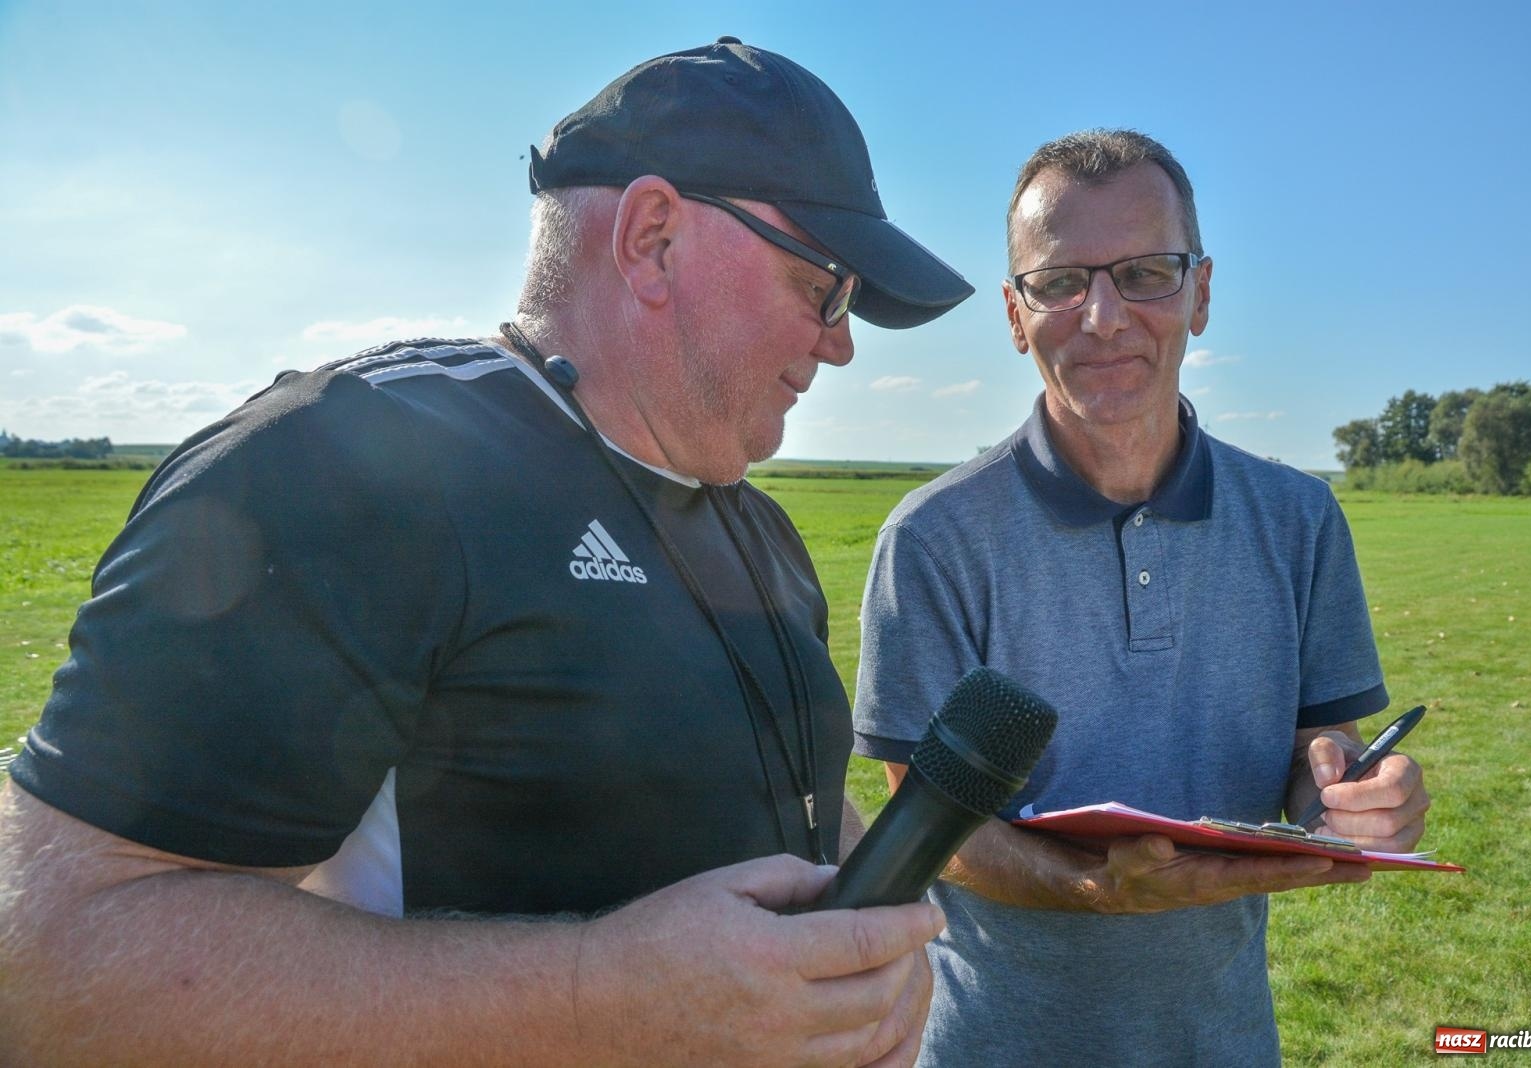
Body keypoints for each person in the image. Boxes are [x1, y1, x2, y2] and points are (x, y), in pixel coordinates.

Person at [0, 38, 975, 1066]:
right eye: (823, 286)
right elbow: (49, 960)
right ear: (652, 237)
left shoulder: (761, 531)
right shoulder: (346, 465)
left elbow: (792, 812)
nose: (840, 342)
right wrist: (595, 999)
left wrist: (874, 948)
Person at [851, 129, 1430, 1066]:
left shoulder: (1300, 518)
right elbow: (929, 830)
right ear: (1013, 312)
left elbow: (1314, 748)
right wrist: (1097, 892)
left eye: (1147, 273)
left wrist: (1347, 794)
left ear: (1201, 292)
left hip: (1227, 1042)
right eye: (1060, 282)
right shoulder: (931, 538)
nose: (1104, 317)